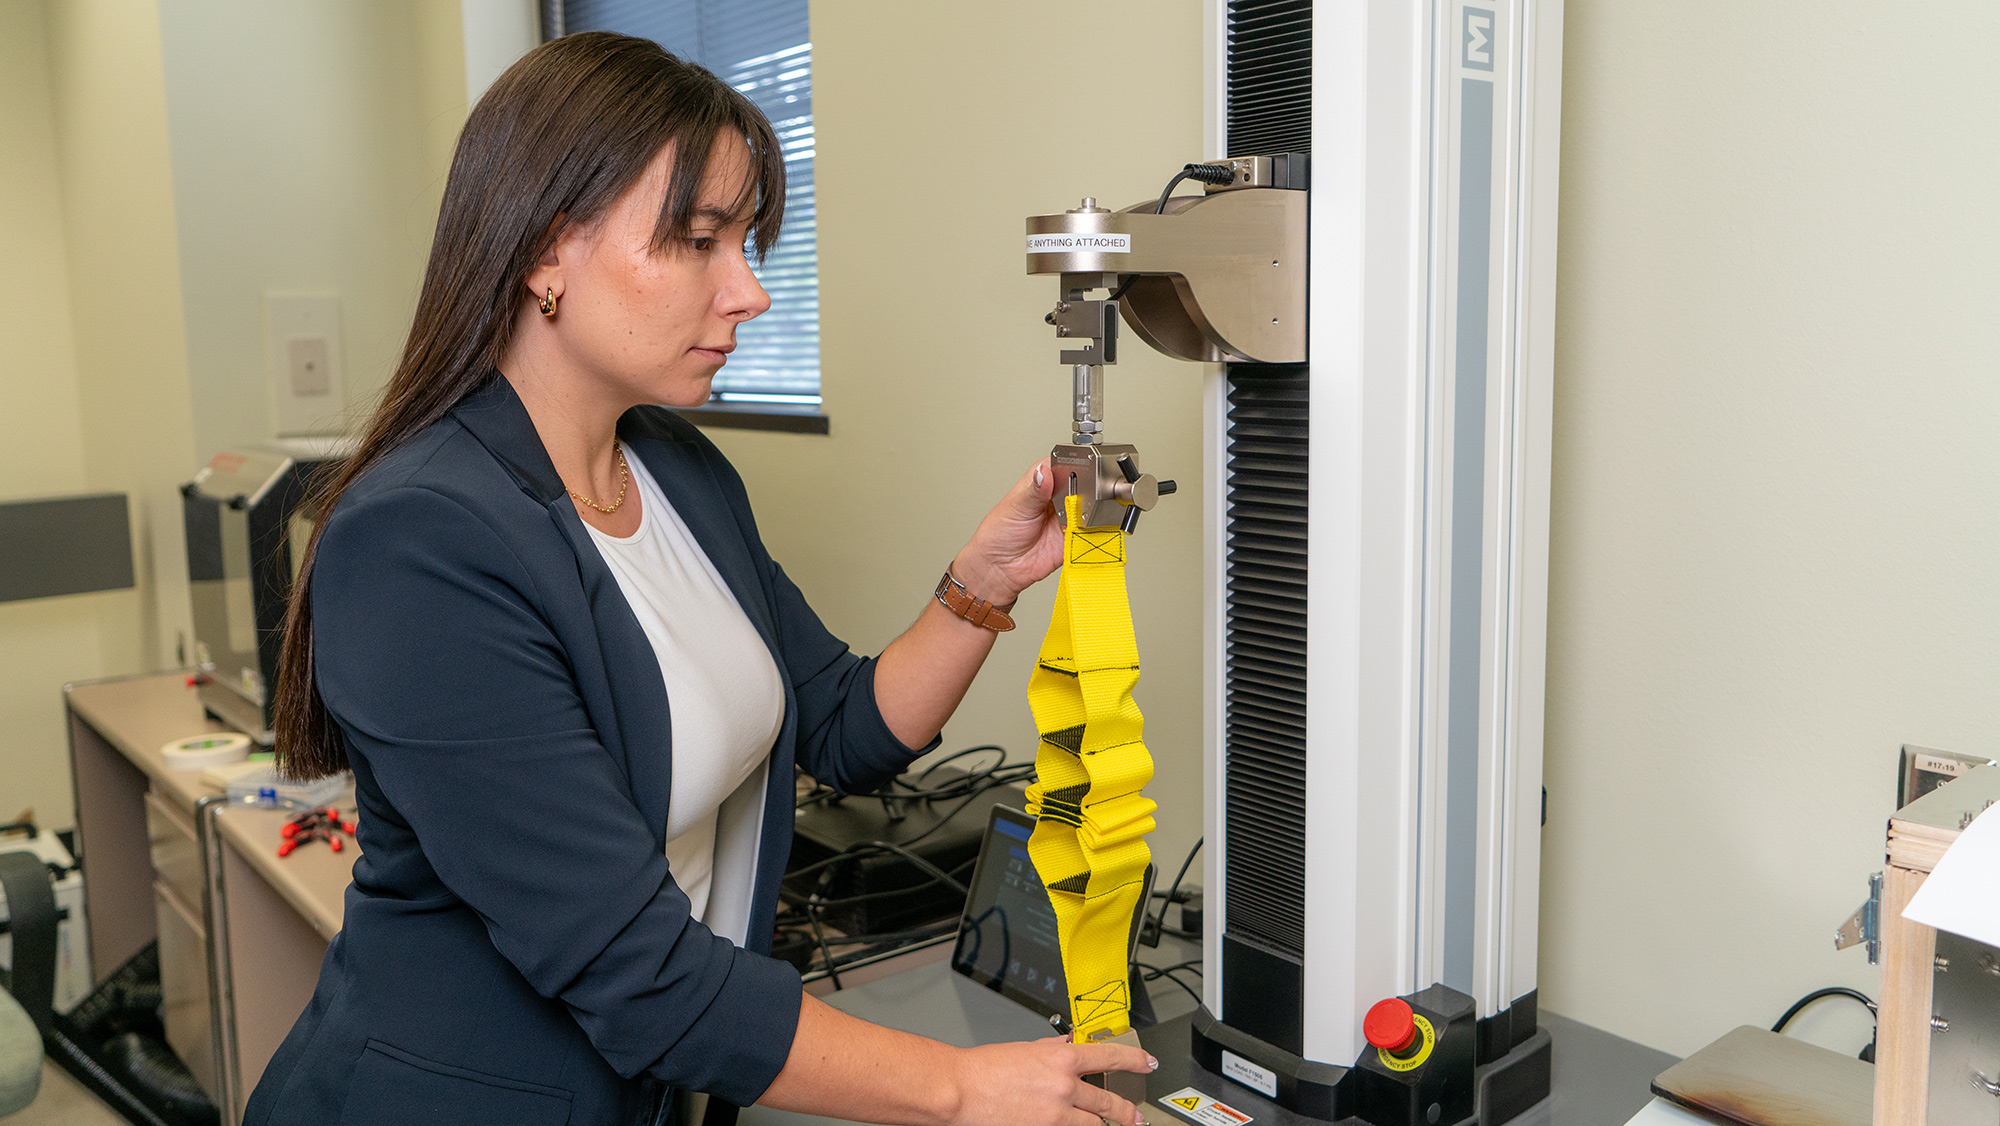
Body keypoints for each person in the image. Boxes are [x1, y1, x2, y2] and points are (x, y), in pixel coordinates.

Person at [242, 30, 1152, 1126]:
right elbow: (637, 973)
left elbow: (842, 724)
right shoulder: (419, 541)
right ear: (543, 253)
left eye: (748, 242)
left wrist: (980, 584)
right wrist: (959, 1084)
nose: (750, 293)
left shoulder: (678, 471)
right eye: (698, 240)